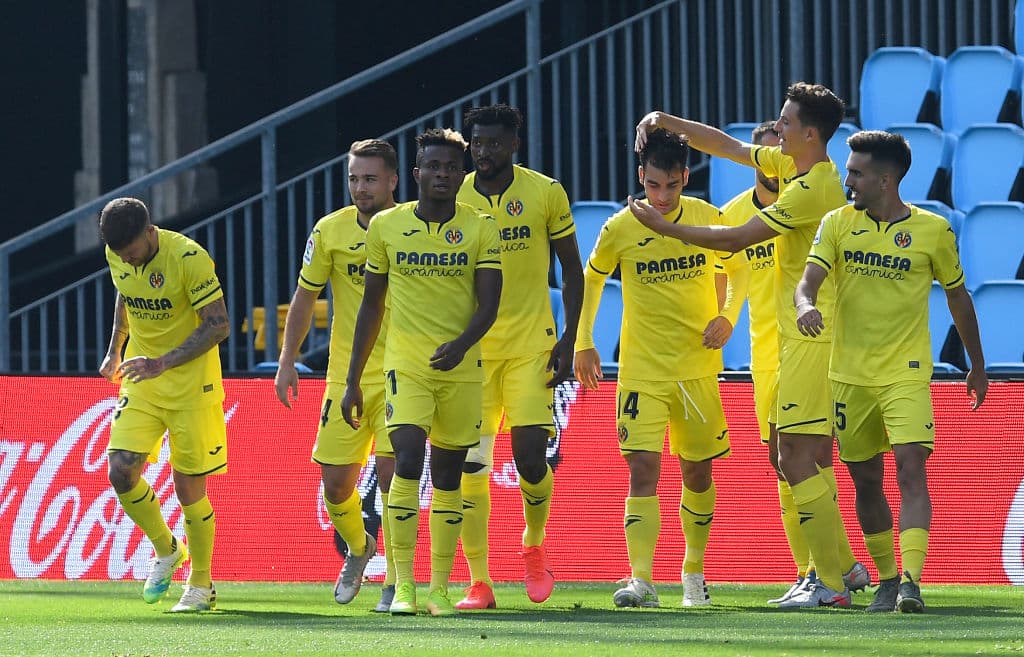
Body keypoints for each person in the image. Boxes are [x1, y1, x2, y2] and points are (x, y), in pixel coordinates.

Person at [631, 82, 869, 608]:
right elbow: (732, 148)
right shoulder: (792, 168)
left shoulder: (814, 189)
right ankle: (843, 567)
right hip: (789, 337)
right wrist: (667, 118)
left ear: (809, 134)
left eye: (785, 123)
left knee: (798, 455)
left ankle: (827, 580)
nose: (776, 129)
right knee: (795, 456)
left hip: (813, 335)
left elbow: (736, 240)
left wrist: (663, 229)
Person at [795, 130, 988, 613]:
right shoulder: (836, 223)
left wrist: (977, 365)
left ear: (886, 179)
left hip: (906, 372)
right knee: (865, 480)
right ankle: (884, 578)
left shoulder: (933, 230)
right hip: (849, 375)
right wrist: (803, 305)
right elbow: (808, 282)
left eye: (857, 172)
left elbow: (958, 297)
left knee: (910, 470)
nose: (848, 179)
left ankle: (910, 582)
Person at [574, 128, 749, 608]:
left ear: (685, 178)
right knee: (643, 469)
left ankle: (693, 572)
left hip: (695, 369)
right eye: (654, 185)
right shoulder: (620, 227)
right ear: (640, 177)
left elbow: (738, 268)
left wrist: (727, 316)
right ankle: (642, 580)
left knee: (696, 472)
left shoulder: (705, 218)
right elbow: (592, 280)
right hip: (641, 370)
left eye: (672, 185)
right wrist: (584, 341)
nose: (662, 196)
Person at [341, 128, 502, 617]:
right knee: (407, 460)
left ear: (462, 175)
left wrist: (460, 346)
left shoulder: (481, 228)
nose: (442, 175)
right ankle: (404, 585)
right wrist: (352, 379)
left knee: (450, 478)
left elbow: (490, 304)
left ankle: (438, 588)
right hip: (406, 366)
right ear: (416, 174)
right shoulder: (387, 227)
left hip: (462, 368)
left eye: (451, 168)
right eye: (433, 167)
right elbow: (371, 306)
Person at [453, 103, 584, 609]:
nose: (484, 152)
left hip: (533, 344)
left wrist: (571, 337)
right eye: (477, 144)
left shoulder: (545, 192)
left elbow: (573, 269)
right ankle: (479, 581)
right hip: (474, 354)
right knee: (471, 466)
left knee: (530, 459)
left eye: (494, 143)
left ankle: (533, 542)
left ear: (514, 144)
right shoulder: (455, 196)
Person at [275, 139, 399, 611]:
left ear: (392, 181)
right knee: (336, 486)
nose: (360, 187)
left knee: (393, 479)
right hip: (344, 375)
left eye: (369, 178)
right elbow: (306, 296)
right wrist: (288, 360)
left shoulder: (409, 227)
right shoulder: (329, 230)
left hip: (399, 371)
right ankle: (361, 547)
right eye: (353, 178)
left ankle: (398, 580)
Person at [98, 197, 230, 612]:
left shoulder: (189, 258)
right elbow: (125, 291)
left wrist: (162, 363)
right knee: (120, 469)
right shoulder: (118, 254)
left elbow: (219, 324)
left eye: (134, 253)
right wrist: (115, 349)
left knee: (188, 488)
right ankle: (168, 549)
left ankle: (202, 584)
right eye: (121, 256)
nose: (128, 261)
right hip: (142, 379)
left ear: (150, 233)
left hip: (192, 385)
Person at [718, 121, 821, 602]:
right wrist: (726, 317)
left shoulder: (809, 203)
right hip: (764, 352)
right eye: (764, 156)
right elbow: (732, 278)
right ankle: (807, 570)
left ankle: (827, 569)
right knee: (782, 464)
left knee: (815, 458)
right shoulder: (735, 213)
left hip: (809, 343)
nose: (773, 163)